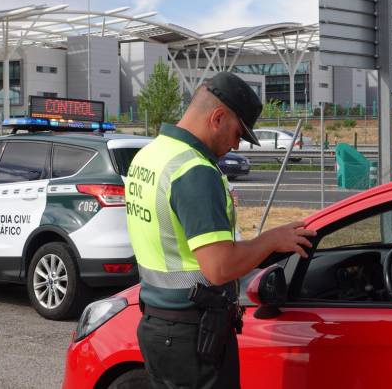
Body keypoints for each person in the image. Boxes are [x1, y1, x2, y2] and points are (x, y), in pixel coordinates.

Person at [125, 71, 316, 389]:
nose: (236, 144)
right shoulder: (194, 170)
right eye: (238, 133)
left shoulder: (150, 155)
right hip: (193, 335)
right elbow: (219, 267)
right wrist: (271, 240)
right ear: (217, 117)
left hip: (157, 325)